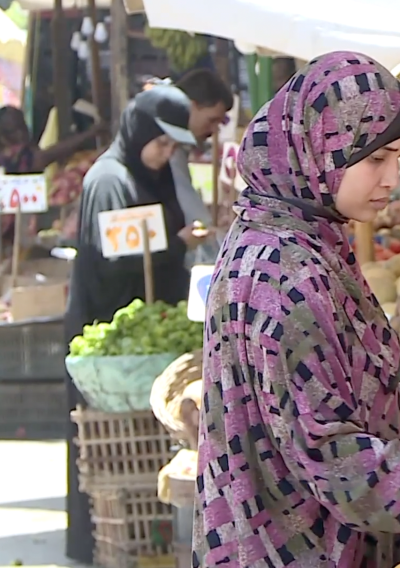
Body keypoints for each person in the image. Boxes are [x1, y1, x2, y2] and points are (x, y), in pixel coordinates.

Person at [194, 52, 400, 567]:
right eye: (376, 159)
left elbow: (293, 400)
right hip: (293, 548)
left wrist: (386, 400)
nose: (392, 178)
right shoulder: (285, 273)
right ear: (317, 146)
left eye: (399, 156)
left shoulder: (291, 237)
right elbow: (324, 450)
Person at [63, 86, 206, 563]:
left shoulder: (149, 176)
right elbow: (114, 259)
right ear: (140, 131)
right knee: (109, 457)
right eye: (161, 144)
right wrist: (174, 244)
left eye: (172, 147)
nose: (166, 155)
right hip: (111, 336)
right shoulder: (109, 180)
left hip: (146, 335)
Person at [0, 106, 105, 242]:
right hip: (15, 224)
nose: (22, 133)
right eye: (15, 130)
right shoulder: (14, 156)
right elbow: (47, 156)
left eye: (23, 126)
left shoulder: (18, 150)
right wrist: (91, 133)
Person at [169, 68, 233, 232]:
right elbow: (196, 221)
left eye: (219, 123)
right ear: (191, 107)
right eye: (211, 120)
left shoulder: (179, 151)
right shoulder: (170, 153)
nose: (214, 130)